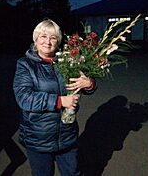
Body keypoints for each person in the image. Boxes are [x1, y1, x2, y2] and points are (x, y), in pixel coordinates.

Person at [13, 18, 96, 176]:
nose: (48, 41)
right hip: (39, 138)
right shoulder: (25, 65)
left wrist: (89, 83)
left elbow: (83, 85)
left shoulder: (67, 61)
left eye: (53, 37)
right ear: (36, 39)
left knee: (73, 173)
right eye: (43, 36)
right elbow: (24, 97)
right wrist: (60, 101)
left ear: (58, 41)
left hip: (67, 135)